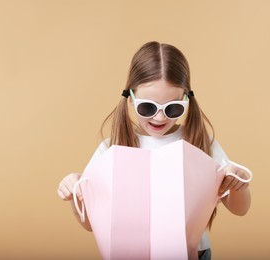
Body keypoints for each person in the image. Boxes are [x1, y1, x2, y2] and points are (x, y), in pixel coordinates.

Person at [57, 41, 251, 260]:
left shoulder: (200, 142)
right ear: (130, 98)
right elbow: (90, 224)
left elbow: (240, 209)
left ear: (186, 100)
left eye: (173, 108)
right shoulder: (112, 148)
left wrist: (239, 184)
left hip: (193, 253)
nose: (159, 117)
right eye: (147, 107)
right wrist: (75, 194)